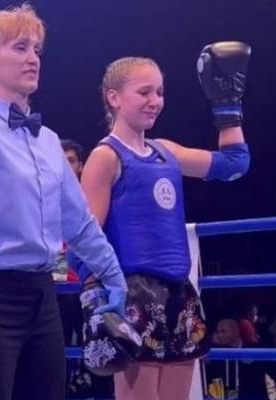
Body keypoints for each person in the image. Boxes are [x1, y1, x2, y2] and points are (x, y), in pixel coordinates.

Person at [0, 5, 126, 400]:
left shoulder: (47, 140)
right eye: (20, 48)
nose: (33, 58)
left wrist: (113, 274)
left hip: (42, 295)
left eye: (36, 49)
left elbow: (78, 221)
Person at [72, 42, 252, 399]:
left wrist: (227, 105)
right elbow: (84, 240)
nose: (154, 100)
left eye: (159, 92)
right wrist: (96, 304)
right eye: (144, 92)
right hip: (131, 293)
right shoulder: (105, 157)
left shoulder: (166, 151)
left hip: (179, 292)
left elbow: (235, 165)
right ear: (114, 97)